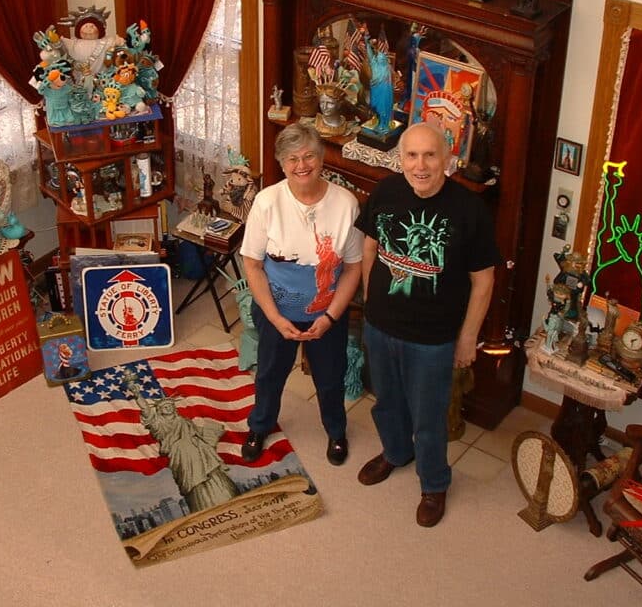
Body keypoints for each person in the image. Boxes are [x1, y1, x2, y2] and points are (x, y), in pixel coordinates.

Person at [354, 122, 500, 527]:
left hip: (433, 339)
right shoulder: (386, 191)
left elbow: (483, 280)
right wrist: (371, 302)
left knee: (429, 417)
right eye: (412, 156)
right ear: (401, 159)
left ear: (448, 160)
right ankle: (395, 453)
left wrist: (467, 338)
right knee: (386, 402)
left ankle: (434, 483)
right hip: (381, 328)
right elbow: (370, 246)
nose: (421, 165)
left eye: (430, 155)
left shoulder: (470, 211)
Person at [240, 123, 363, 466]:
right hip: (275, 312)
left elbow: (353, 267)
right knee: (269, 375)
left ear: (322, 159)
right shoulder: (267, 203)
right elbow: (252, 265)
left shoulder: (346, 205)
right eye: (292, 159)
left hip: (327, 313)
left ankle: (336, 432)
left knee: (330, 378)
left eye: (309, 155)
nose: (302, 165)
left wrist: (330, 317)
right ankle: (259, 426)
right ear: (282, 164)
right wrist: (276, 318)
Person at [123, 370, 238, 513]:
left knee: (213, 475)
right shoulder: (159, 424)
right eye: (165, 407)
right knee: (193, 482)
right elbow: (146, 411)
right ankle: (204, 505)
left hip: (200, 452)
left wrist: (214, 430)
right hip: (181, 455)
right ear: (159, 411)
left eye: (170, 406)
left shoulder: (183, 420)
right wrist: (137, 394)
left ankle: (225, 497)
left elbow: (197, 432)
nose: (168, 408)